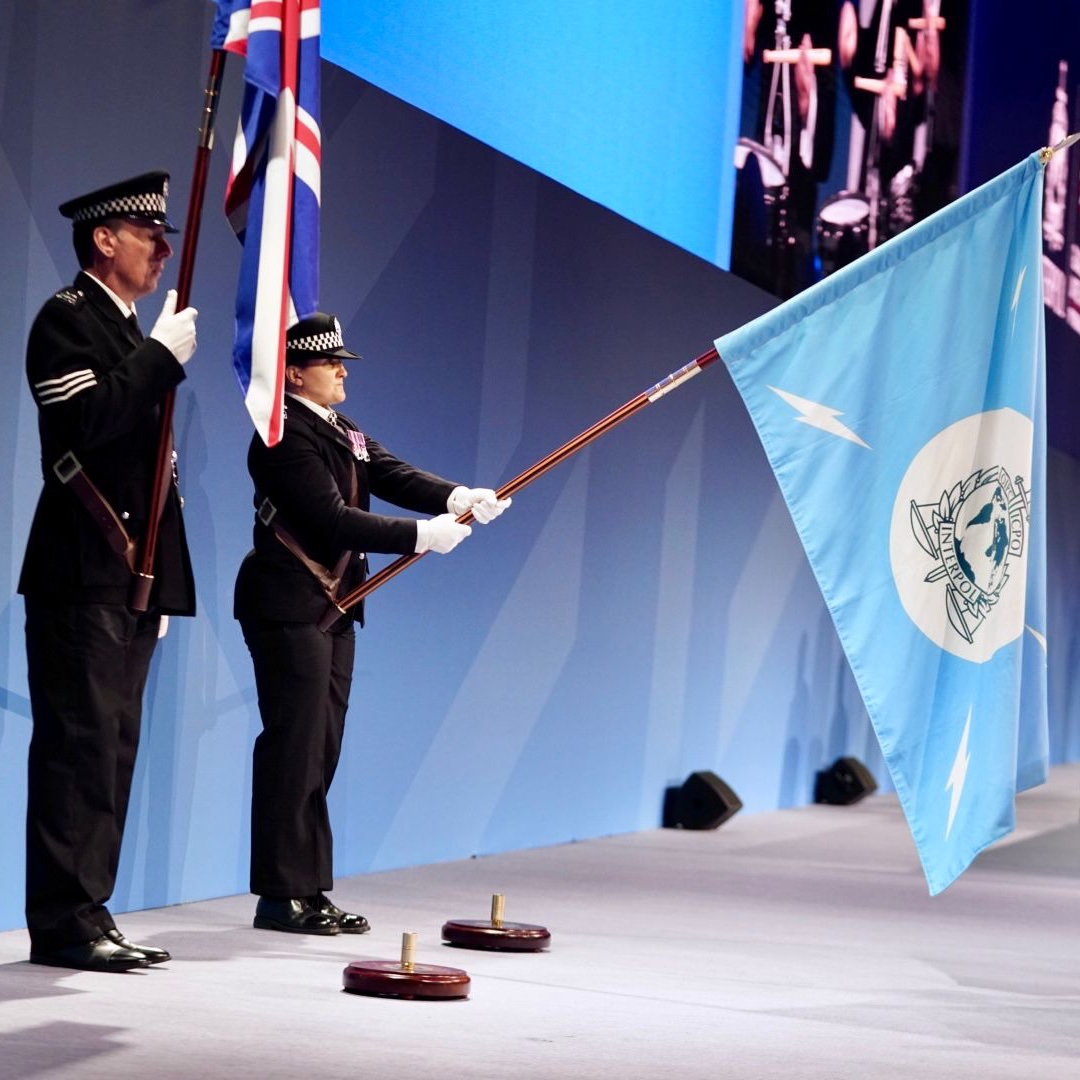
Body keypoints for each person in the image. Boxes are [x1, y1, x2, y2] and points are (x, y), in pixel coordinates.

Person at [234, 313, 510, 935]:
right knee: (294, 747)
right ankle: (279, 896)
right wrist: (419, 536)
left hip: (334, 606)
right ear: (295, 374)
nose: (342, 371)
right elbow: (332, 519)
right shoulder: (282, 435)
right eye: (330, 363)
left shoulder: (341, 428)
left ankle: (308, 889)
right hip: (291, 603)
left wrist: (457, 497)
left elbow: (390, 472)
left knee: (321, 749)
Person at [19, 171, 199, 971]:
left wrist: (160, 581)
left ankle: (91, 911)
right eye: (149, 237)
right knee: (79, 747)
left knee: (114, 747)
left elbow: (154, 471)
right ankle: (64, 924)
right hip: (82, 567)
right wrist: (158, 357)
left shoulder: (124, 330)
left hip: (129, 576)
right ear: (104, 239)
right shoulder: (67, 319)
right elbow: (85, 423)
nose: (162, 252)